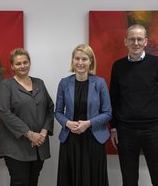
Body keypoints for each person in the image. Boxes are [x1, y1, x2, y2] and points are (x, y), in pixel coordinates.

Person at [55, 44, 112, 186]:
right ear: (72, 60)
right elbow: (58, 111)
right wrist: (67, 123)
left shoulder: (100, 83)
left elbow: (107, 113)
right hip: (71, 139)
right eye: (77, 58)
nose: (80, 63)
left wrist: (88, 124)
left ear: (91, 61)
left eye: (84, 59)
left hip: (93, 138)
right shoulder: (64, 83)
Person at [0, 48, 54, 186]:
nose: (22, 66)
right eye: (18, 63)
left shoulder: (39, 83)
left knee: (33, 182)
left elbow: (50, 108)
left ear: (29, 63)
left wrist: (43, 133)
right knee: (19, 182)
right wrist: (29, 134)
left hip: (39, 145)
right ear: (12, 66)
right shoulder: (6, 85)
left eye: (25, 62)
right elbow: (5, 113)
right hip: (16, 147)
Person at [110, 24, 158, 186]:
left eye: (139, 39)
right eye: (132, 39)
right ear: (125, 42)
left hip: (154, 130)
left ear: (145, 42)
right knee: (129, 179)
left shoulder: (156, 63)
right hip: (126, 131)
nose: (135, 43)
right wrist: (114, 127)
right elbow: (114, 98)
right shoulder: (118, 66)